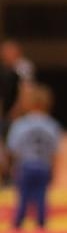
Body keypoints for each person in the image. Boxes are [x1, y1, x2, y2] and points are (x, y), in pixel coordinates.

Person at [7, 83, 61, 231]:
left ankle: (18, 223)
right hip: (43, 165)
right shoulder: (52, 125)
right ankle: (41, 223)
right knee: (42, 196)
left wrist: (11, 167)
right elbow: (55, 152)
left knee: (23, 196)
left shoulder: (20, 125)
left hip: (26, 165)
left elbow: (13, 149)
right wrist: (55, 170)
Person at [0, 39, 34, 187]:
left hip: (15, 114)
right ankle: (6, 174)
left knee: (14, 145)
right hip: (4, 114)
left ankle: (15, 175)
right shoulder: (3, 69)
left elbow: (25, 90)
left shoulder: (22, 67)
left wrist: (18, 111)